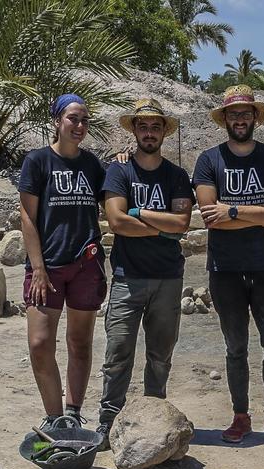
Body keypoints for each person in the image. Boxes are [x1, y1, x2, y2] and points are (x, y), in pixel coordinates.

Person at [192, 85, 264, 443]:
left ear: (255, 117)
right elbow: (210, 216)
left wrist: (233, 210)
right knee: (235, 347)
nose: (240, 119)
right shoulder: (209, 160)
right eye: (233, 114)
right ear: (225, 119)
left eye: (245, 113)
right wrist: (255, 215)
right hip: (225, 268)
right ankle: (241, 415)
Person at [95, 99, 193, 448]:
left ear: (163, 131)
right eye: (143, 126)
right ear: (134, 130)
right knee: (118, 350)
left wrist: (139, 213)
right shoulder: (119, 172)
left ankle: (155, 414)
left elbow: (182, 223)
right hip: (127, 275)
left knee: (160, 353)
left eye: (155, 126)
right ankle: (108, 419)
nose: (149, 132)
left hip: (167, 277)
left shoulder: (177, 176)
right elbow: (117, 222)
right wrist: (160, 225)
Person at [18, 94, 107, 430]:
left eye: (84, 120)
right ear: (57, 120)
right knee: (40, 344)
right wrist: (38, 268)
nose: (79, 126)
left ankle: (72, 413)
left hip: (86, 263)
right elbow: (27, 215)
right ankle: (53, 416)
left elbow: (113, 195)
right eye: (73, 118)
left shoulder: (93, 165)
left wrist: (125, 161)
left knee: (79, 342)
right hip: (48, 267)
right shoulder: (38, 161)